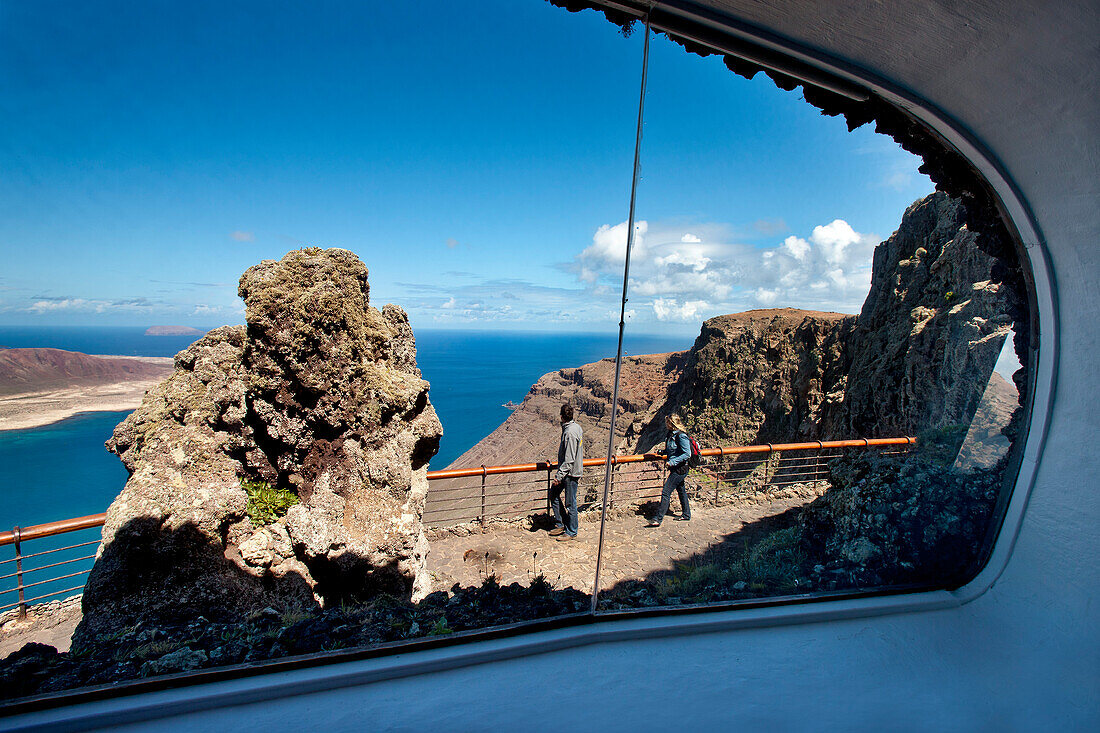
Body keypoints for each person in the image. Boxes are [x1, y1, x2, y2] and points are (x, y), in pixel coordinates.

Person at [648, 413, 692, 527]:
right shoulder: (670, 435)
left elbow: (687, 453)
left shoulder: (681, 436)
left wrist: (672, 461)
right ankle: (686, 514)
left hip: (680, 468)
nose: (665, 424)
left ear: (671, 423)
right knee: (681, 490)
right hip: (675, 468)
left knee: (666, 492)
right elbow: (673, 450)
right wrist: (663, 452)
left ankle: (658, 518)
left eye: (667, 422)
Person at [549, 403, 583, 540]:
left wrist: (559, 476)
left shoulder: (569, 432)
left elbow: (569, 459)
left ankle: (571, 531)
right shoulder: (576, 427)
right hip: (569, 471)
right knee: (554, 494)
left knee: (570, 503)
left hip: (570, 473)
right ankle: (561, 524)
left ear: (562, 416)